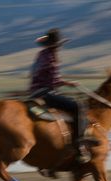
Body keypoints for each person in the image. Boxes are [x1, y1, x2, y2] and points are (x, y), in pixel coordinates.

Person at [29, 28, 97, 164]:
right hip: (46, 93)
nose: (59, 48)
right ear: (56, 45)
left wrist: (67, 83)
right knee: (78, 106)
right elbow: (53, 80)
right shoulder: (51, 58)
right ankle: (79, 144)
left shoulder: (41, 55)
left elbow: (44, 75)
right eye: (58, 46)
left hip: (35, 91)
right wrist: (67, 83)